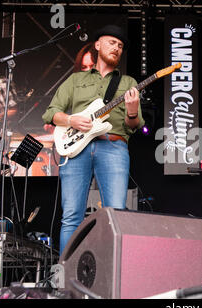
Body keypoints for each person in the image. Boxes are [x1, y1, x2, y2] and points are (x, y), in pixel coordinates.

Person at [42, 25, 145, 255]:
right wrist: (71, 120)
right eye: (112, 43)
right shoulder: (76, 80)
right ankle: (66, 280)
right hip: (77, 148)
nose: (117, 48)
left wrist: (131, 110)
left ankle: (111, 279)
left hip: (113, 145)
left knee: (115, 214)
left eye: (120, 46)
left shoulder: (128, 83)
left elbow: (134, 126)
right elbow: (51, 113)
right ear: (97, 45)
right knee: (71, 216)